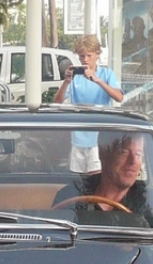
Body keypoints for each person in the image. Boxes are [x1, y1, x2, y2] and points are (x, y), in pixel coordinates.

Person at [52, 131, 153, 226]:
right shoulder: (71, 195)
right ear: (103, 153)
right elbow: (56, 241)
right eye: (124, 152)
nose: (133, 161)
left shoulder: (148, 199)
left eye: (138, 154)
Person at [53, 34, 124, 174]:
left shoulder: (106, 74)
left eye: (89, 55)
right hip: (78, 138)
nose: (85, 60)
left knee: (96, 179)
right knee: (79, 183)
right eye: (81, 56)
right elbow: (57, 102)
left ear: (97, 55)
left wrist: (97, 80)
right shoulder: (76, 78)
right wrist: (66, 81)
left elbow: (119, 97)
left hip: (99, 139)